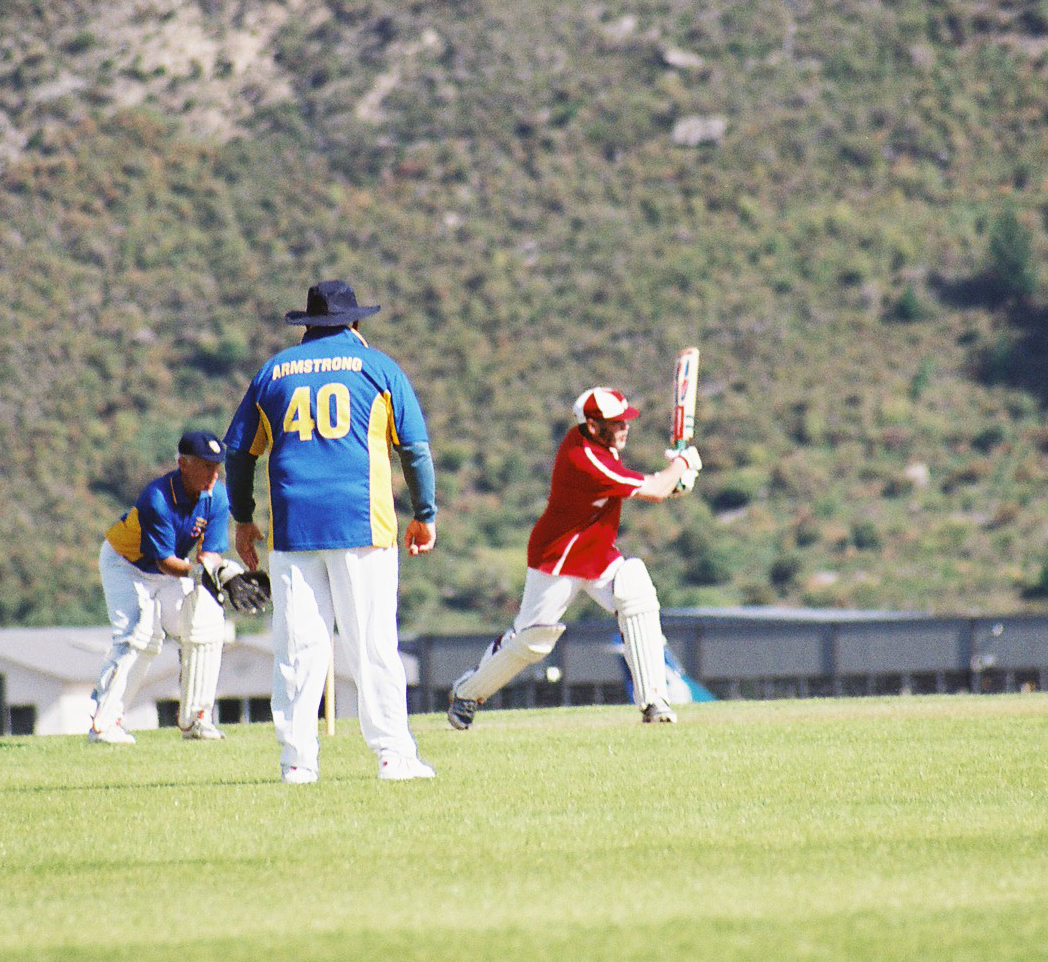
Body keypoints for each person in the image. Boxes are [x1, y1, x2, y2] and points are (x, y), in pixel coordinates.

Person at [224, 279, 438, 783]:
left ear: (306, 326)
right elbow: (414, 449)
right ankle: (392, 755)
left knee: (299, 649)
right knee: (373, 645)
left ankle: (297, 761)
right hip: (362, 524)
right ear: (355, 323)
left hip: (294, 528)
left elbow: (238, 452)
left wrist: (242, 516)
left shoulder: (273, 372)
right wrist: (424, 513)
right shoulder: (377, 366)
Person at [447, 386, 702, 729]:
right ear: (594, 427)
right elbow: (653, 489)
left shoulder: (600, 447)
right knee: (532, 641)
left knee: (635, 589)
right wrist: (681, 467)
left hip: (595, 554)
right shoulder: (585, 458)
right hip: (558, 557)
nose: (625, 428)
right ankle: (467, 692)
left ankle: (654, 702)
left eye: (626, 421)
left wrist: (677, 481)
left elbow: (652, 487)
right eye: (617, 423)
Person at [86, 430, 234, 744]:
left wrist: (218, 571)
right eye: (206, 465)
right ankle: (104, 724)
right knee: (141, 635)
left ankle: (197, 719)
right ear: (183, 463)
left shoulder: (217, 496)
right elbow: (166, 561)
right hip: (126, 564)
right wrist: (200, 573)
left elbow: (209, 552)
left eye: (217, 465)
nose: (213, 473)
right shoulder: (158, 497)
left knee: (205, 622)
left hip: (169, 571)